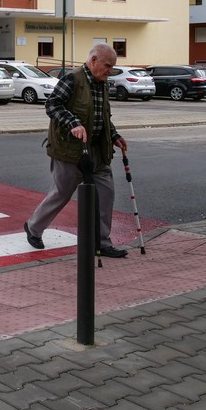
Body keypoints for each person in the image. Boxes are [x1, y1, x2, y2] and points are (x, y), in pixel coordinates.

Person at [23, 43, 129, 258]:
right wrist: (73, 123)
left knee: (105, 195)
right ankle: (34, 228)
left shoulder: (103, 84)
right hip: (70, 151)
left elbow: (103, 116)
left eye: (113, 67)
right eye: (107, 66)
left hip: (98, 151)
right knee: (61, 194)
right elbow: (52, 105)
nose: (110, 71)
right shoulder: (72, 79)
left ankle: (101, 243)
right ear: (93, 61)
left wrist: (114, 135)